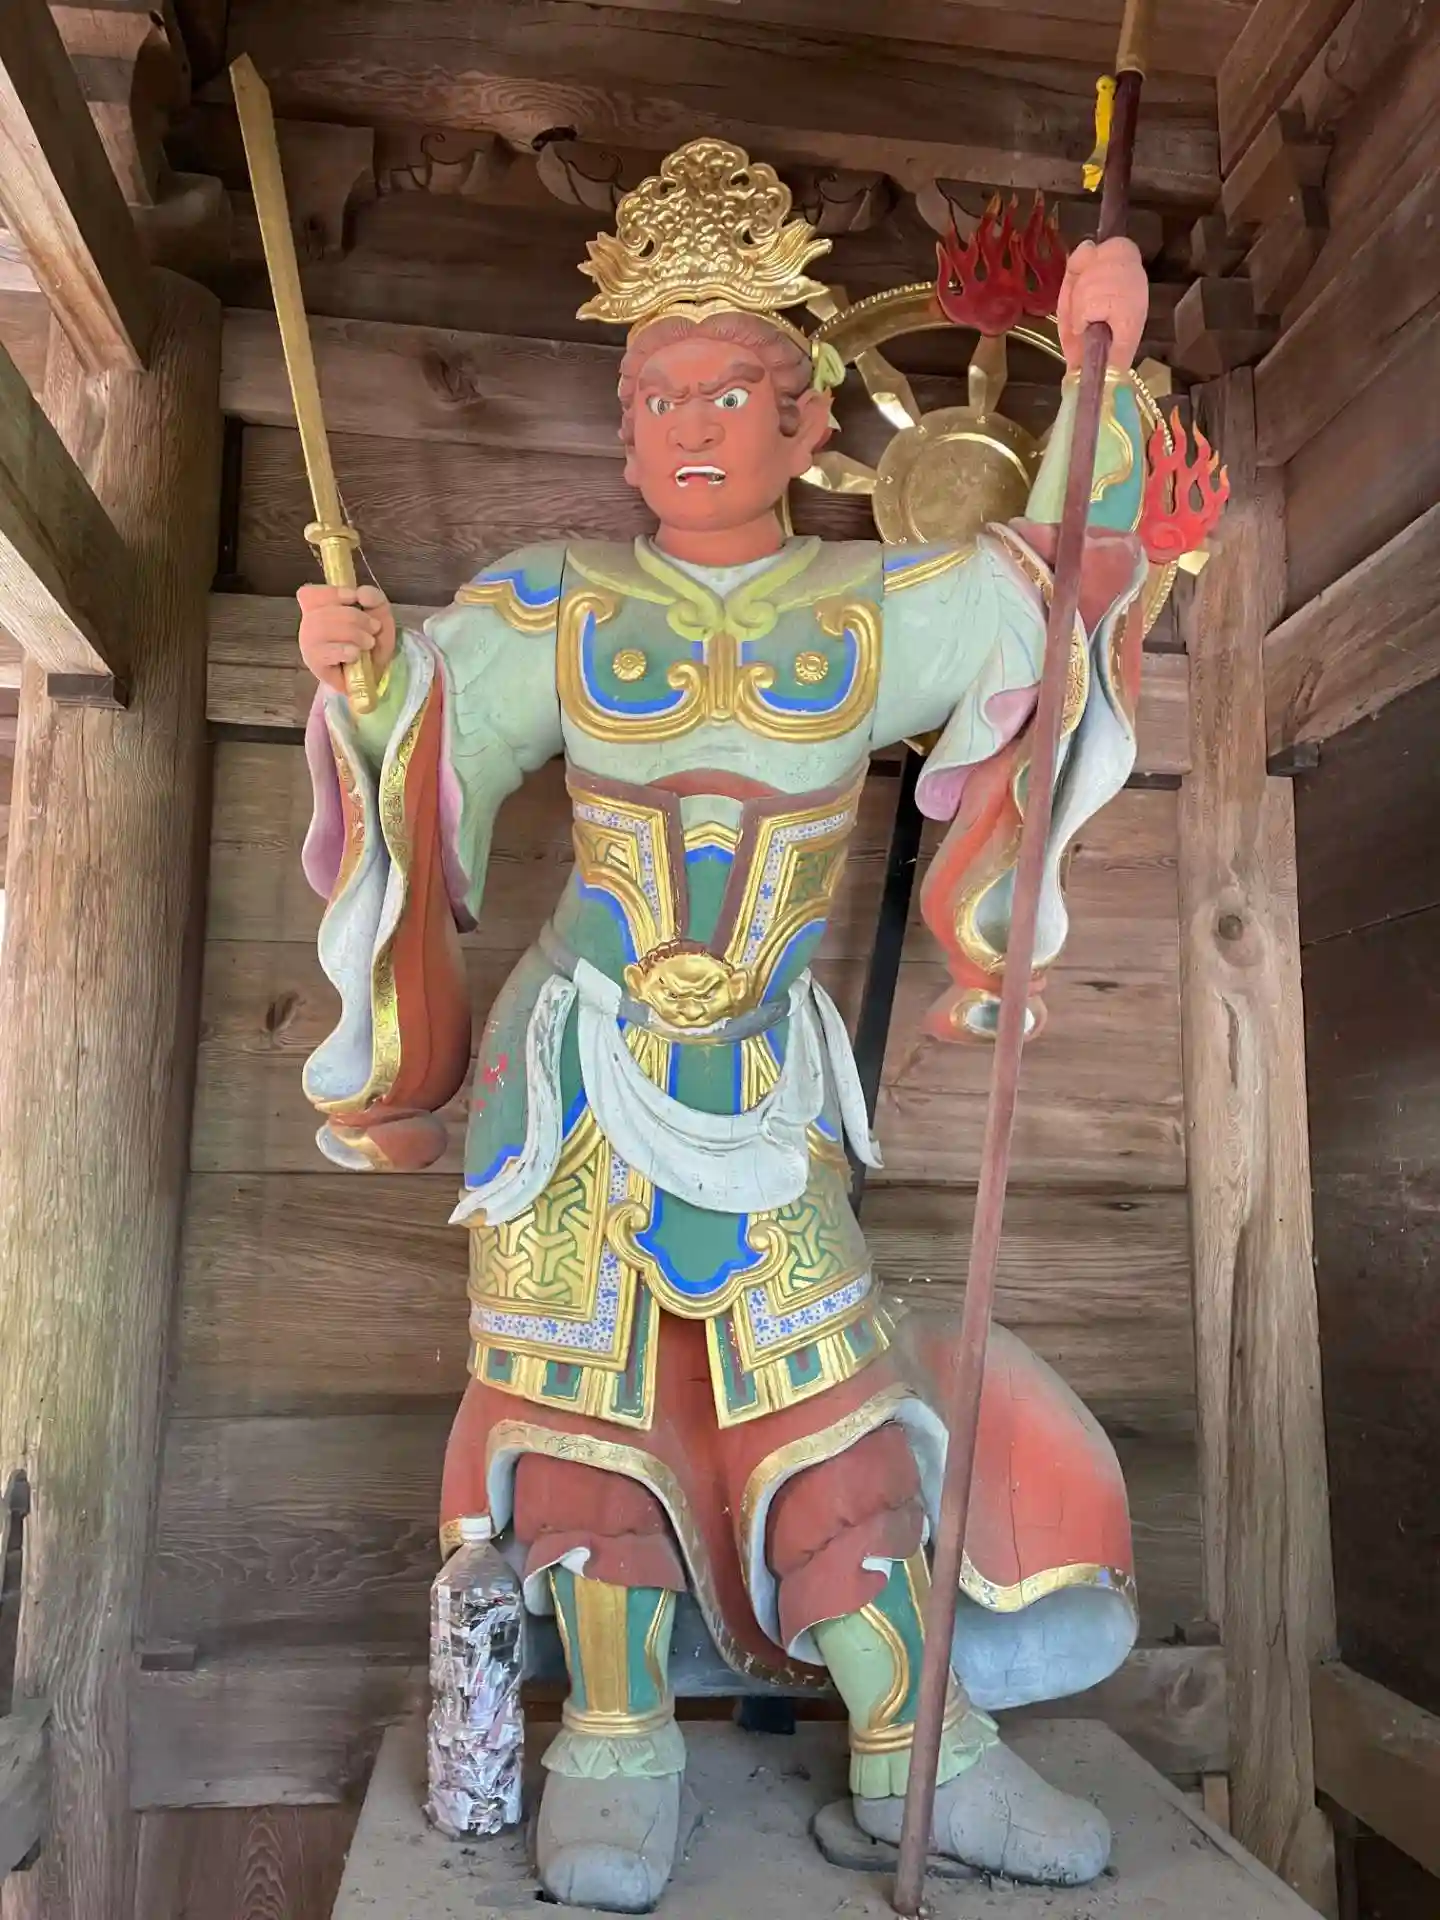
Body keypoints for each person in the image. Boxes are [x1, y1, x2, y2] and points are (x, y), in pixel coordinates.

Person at [297, 140, 1153, 1912]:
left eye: (730, 389)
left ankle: (930, 1756)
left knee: (827, 1400)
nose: (690, 424)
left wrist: (1098, 375)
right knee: (573, 1406)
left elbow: (1059, 591)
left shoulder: (876, 609)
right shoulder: (552, 602)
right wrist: (370, 681)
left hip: (762, 1079)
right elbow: (427, 759)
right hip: (580, 1069)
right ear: (623, 435)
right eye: (656, 396)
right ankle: (612, 1747)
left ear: (807, 416)